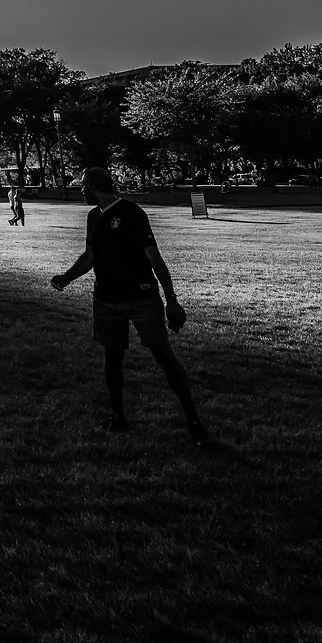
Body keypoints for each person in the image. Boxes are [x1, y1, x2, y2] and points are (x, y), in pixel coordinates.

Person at [51, 166, 208, 443]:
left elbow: (153, 256)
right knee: (112, 359)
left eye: (84, 185)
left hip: (141, 298)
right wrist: (67, 277)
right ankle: (118, 416)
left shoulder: (133, 213)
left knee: (164, 356)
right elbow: (91, 255)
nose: (81, 190)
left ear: (95, 185)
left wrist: (171, 300)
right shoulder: (93, 217)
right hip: (106, 300)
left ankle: (193, 418)